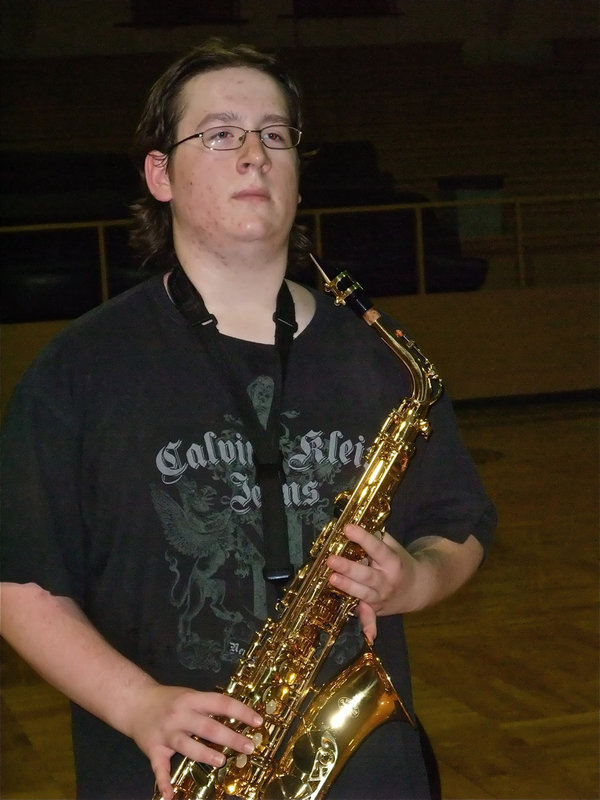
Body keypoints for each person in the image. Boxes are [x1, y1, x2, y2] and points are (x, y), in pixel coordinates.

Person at [0, 38, 496, 800]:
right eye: (222, 133)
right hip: (168, 770)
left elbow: (459, 526)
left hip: (366, 769)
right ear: (160, 174)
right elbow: (19, 585)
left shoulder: (382, 358)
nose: (256, 155)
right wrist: (137, 704)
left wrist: (416, 579)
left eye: (275, 135)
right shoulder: (77, 371)